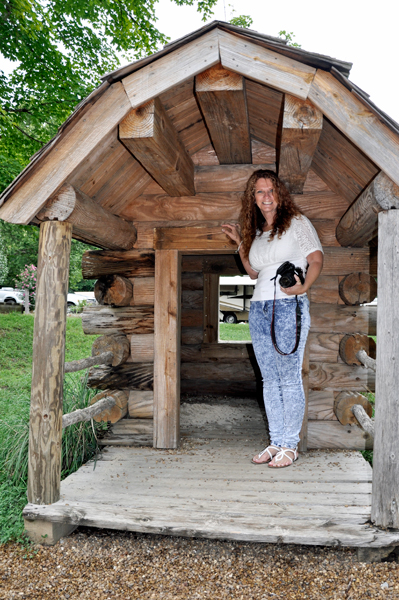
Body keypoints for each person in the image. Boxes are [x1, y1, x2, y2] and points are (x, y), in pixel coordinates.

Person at [222, 169, 323, 468]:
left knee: (289, 377)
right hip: (259, 308)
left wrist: (303, 287)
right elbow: (253, 272)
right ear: (252, 198)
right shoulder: (257, 234)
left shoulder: (297, 223)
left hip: (288, 307)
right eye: (259, 192)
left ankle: (290, 445)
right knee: (269, 379)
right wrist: (241, 242)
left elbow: (315, 259)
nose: (265, 197)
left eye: (270, 190)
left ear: (279, 194)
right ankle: (276, 440)